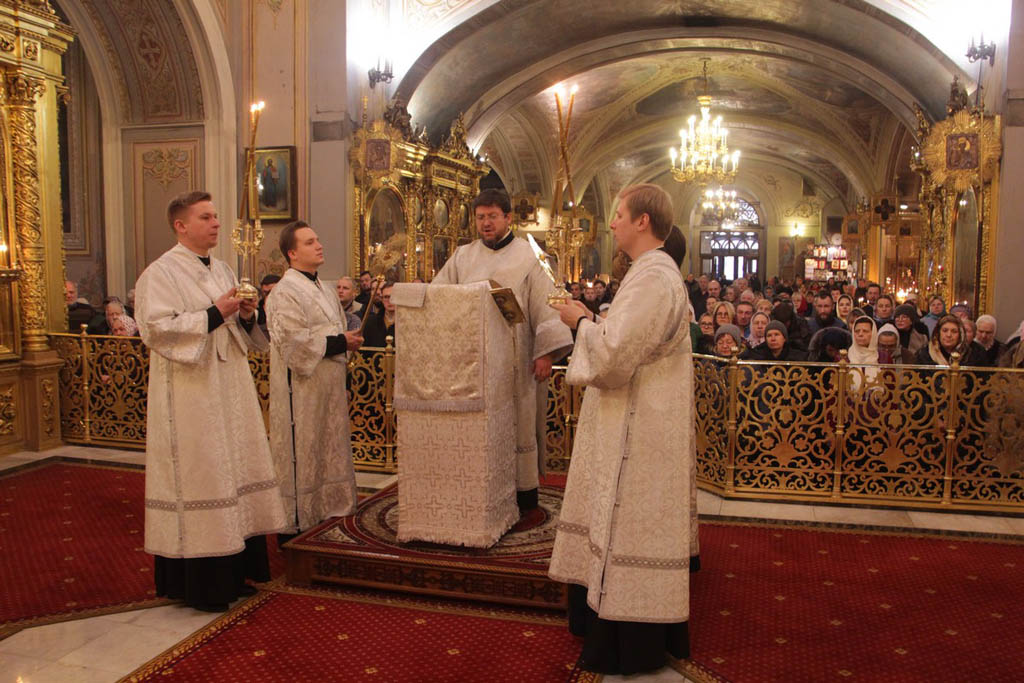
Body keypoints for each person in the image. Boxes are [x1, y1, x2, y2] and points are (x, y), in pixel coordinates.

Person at [549, 183, 694, 675]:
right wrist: (593, 320)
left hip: (640, 424)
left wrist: (579, 322)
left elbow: (613, 357)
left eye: (618, 214)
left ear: (642, 221)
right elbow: (627, 338)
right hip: (635, 417)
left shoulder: (653, 276)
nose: (610, 223)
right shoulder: (649, 272)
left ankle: (627, 641)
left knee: (628, 523)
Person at [135, 190, 286, 612]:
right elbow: (155, 329)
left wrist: (247, 314)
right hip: (190, 394)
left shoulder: (222, 268)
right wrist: (216, 312)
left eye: (216, 216)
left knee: (233, 467)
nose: (216, 223)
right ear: (181, 225)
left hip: (229, 387)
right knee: (204, 473)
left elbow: (239, 330)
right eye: (205, 217)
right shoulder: (160, 273)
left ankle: (236, 572)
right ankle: (202, 585)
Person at [433, 189, 573, 511]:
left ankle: (523, 495)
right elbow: (440, 296)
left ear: (508, 218)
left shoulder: (530, 256)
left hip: (516, 363)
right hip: (473, 364)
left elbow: (548, 304)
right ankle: (479, 490)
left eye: (493, 216)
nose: (486, 223)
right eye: (480, 217)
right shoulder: (463, 256)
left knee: (518, 422)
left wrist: (545, 353)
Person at [267, 221, 364, 539]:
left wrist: (346, 342)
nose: (319, 245)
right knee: (306, 451)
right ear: (292, 253)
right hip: (302, 391)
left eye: (318, 239)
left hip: (330, 385)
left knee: (329, 448)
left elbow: (335, 328)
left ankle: (329, 511)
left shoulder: (324, 287)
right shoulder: (284, 292)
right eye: (309, 242)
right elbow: (293, 344)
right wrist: (341, 342)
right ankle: (300, 524)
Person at [915, 314, 980, 366]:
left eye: (954, 331)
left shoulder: (972, 355)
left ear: (960, 335)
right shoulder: (924, 354)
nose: (949, 335)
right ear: (938, 333)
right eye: (945, 330)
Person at [742, 320, 807, 361]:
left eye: (776, 334)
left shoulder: (798, 357)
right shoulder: (757, 356)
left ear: (784, 338)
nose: (773, 339)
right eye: (769, 335)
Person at [847, 315, 879, 389]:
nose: (860, 334)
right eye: (857, 331)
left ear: (873, 333)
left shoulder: (883, 357)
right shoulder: (844, 357)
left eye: (865, 331)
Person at [363, 282, 396, 347]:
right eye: (386, 297)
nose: (390, 300)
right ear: (382, 299)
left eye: (393, 296)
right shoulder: (370, 322)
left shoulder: (407, 322)